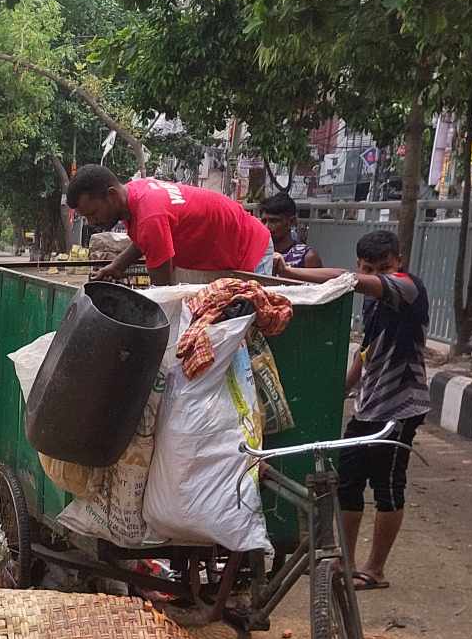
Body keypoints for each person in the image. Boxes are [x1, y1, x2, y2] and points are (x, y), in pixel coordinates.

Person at [275, 229, 431, 589]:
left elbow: (344, 281)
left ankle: (374, 570)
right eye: (369, 267)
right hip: (370, 405)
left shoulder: (407, 288)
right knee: (347, 482)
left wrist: (291, 272)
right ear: (360, 263)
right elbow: (369, 349)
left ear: (399, 262)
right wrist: (344, 388)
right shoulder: (374, 300)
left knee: (388, 486)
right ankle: (345, 563)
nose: (378, 274)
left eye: (385, 267)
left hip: (401, 407)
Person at [66, 164, 275, 286]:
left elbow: (164, 290)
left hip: (251, 248)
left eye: (93, 214)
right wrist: (117, 265)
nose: (93, 222)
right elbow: (144, 239)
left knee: (249, 336)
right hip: (235, 247)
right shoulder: (136, 191)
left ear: (111, 195)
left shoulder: (150, 216)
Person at [259, 191, 322, 269]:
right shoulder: (257, 252)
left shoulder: (307, 257)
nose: (266, 227)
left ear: (291, 222)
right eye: (264, 221)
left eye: (274, 221)